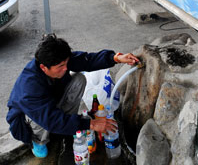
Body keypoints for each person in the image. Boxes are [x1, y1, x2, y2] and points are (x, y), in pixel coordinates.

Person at [6, 34, 139, 158]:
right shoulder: (29, 88)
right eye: (60, 66)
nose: (65, 68)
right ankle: (37, 141)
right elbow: (50, 119)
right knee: (44, 119)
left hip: (51, 103)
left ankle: (67, 126)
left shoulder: (58, 61)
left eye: (66, 63)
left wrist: (115, 58)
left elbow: (87, 60)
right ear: (43, 67)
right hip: (30, 117)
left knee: (79, 79)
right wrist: (91, 124)